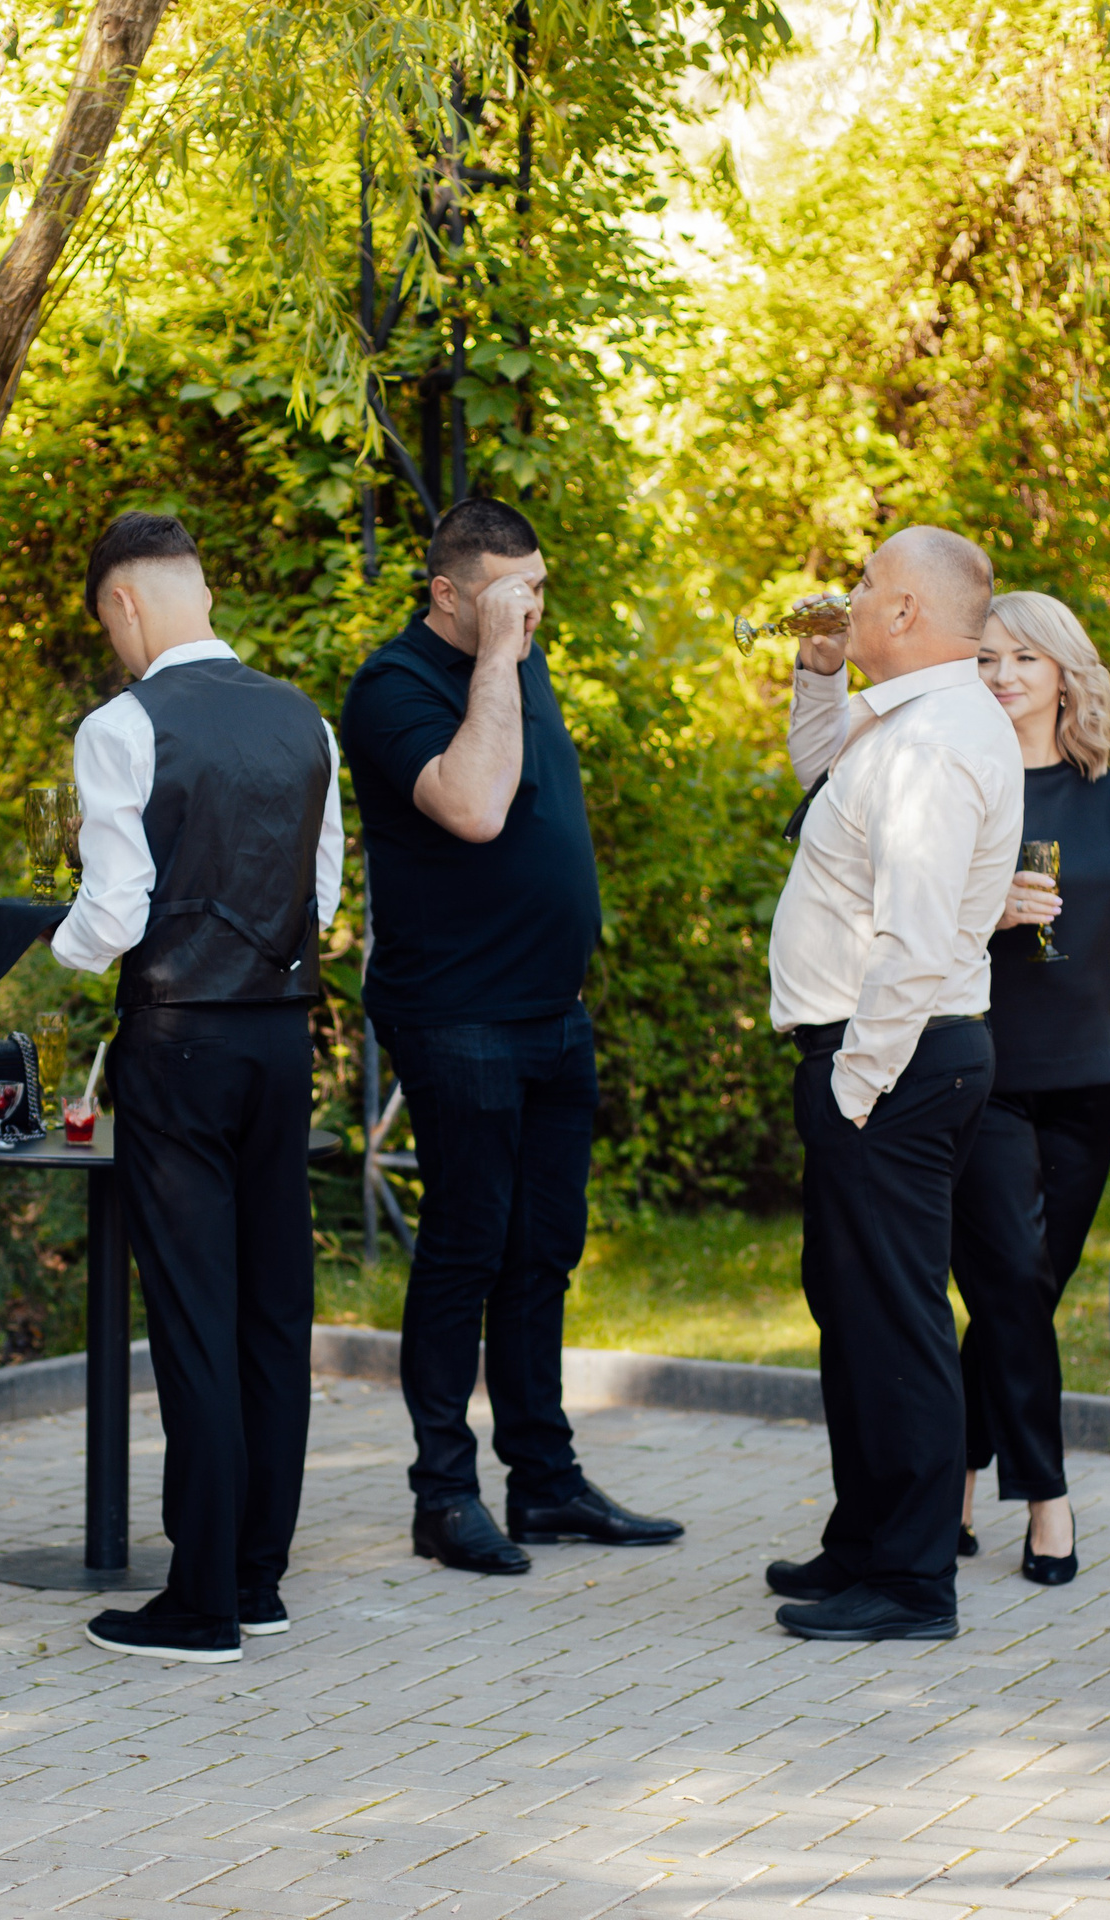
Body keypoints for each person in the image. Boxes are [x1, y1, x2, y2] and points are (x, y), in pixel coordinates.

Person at [340, 496, 681, 1577]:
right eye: (508, 595)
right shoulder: (393, 687)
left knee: (543, 1252)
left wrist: (507, 648)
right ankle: (443, 1494)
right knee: (465, 1251)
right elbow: (475, 808)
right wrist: (496, 655)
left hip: (552, 1013)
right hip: (457, 1015)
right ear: (447, 593)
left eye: (537, 590)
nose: (530, 612)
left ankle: (544, 1479)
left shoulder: (521, 663)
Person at [49, 511, 344, 1664]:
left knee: (192, 1315)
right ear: (200, 588)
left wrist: (56, 944)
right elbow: (320, 897)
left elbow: (114, 914)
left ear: (122, 603)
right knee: (272, 1306)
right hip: (281, 1038)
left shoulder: (122, 725)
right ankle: (257, 1579)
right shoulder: (304, 719)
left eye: (106, 624)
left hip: (177, 1041)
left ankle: (201, 1601)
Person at [764, 525, 1024, 1642]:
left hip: (892, 1061)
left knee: (898, 1318)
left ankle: (914, 1582)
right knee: (854, 1309)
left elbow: (914, 943)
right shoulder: (909, 721)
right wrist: (819, 676)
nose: (851, 595)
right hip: (886, 1057)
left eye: (868, 583)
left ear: (909, 610)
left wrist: (854, 1084)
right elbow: (823, 784)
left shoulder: (937, 743)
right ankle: (865, 1540)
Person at [954, 590, 1110, 1585]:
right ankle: (1047, 1501)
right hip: (982, 1077)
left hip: (1090, 1085)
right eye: (986, 658)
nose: (1002, 675)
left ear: (1063, 675)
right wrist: (985, 909)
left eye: (1023, 658)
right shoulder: (956, 787)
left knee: (1020, 1297)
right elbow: (896, 923)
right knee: (1011, 1281)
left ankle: (953, 1475)